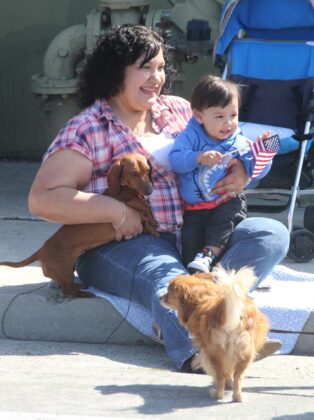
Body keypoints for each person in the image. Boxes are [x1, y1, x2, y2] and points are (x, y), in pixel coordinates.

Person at [28, 24, 289, 373]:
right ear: (115, 70)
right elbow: (42, 199)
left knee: (269, 234)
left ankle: (207, 299)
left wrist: (243, 172)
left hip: (200, 238)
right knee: (164, 276)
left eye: (162, 67)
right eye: (146, 67)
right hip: (128, 245)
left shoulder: (181, 111)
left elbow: (237, 145)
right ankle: (202, 351)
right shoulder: (89, 127)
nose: (157, 77)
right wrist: (115, 211)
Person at [169, 75, 272, 274]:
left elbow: (257, 171)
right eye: (219, 116)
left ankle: (209, 255)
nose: (228, 124)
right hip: (195, 208)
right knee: (190, 241)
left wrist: (262, 156)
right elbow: (176, 160)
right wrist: (197, 157)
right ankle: (198, 271)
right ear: (199, 116)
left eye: (233, 115)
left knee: (222, 226)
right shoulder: (190, 136)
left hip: (226, 201)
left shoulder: (239, 141)